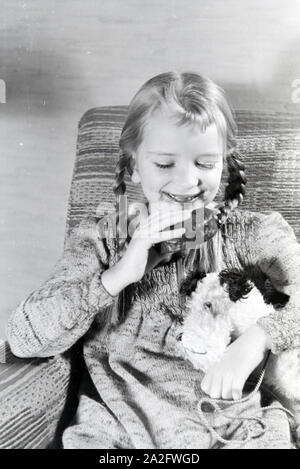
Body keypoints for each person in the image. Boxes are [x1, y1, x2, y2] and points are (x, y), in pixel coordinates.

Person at [6, 72, 300, 449]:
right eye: (164, 165)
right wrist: (118, 275)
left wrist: (259, 338)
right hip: (118, 440)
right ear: (132, 165)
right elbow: (26, 336)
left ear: (224, 163)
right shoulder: (103, 236)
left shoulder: (253, 233)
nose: (187, 181)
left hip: (235, 434)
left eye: (205, 164)